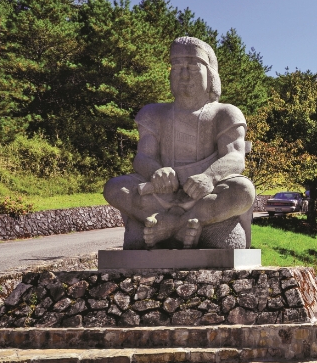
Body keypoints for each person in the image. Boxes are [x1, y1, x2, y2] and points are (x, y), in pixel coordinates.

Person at [103, 36, 256, 249]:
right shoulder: (153, 113)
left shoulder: (225, 113)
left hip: (205, 195)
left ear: (210, 73)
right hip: (161, 195)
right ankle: (181, 225)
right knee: (114, 187)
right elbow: (143, 157)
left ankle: (172, 226)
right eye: (176, 66)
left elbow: (235, 157)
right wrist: (156, 172)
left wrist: (209, 177)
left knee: (243, 190)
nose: (184, 75)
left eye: (192, 66)